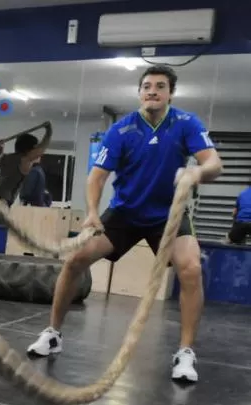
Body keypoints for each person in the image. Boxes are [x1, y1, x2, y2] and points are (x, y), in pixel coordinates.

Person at [26, 64, 223, 383]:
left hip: (167, 216)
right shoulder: (122, 130)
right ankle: (53, 333)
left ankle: (185, 353)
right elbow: (97, 176)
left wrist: (197, 172)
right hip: (125, 214)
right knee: (75, 259)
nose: (152, 91)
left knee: (191, 269)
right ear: (139, 93)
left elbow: (214, 163)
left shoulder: (186, 123)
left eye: (160, 86)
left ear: (171, 92)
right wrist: (91, 211)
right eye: (146, 86)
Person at [0, 123, 53, 208]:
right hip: (3, 200)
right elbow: (41, 150)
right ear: (30, 150)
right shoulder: (24, 160)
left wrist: (1, 148)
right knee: (0, 221)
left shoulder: (8, 157)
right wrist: (49, 131)